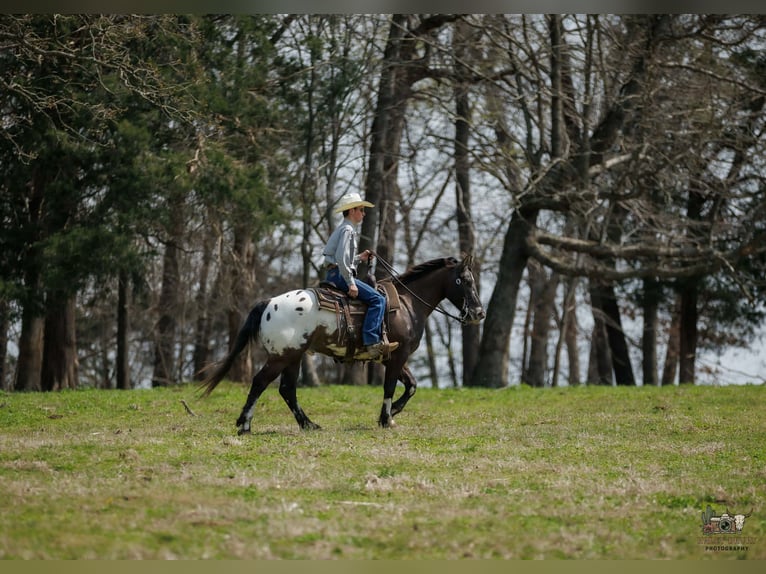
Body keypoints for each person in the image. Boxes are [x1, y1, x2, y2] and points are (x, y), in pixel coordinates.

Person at [323, 192, 399, 360]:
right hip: (340, 276)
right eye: (361, 210)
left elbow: (341, 259)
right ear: (352, 211)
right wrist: (351, 283)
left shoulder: (344, 229)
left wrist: (359, 258)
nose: (364, 214)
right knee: (378, 300)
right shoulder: (348, 230)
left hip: (334, 273)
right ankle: (371, 343)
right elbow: (342, 261)